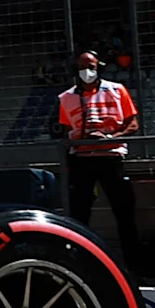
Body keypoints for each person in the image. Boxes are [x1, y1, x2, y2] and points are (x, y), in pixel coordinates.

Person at [50, 48, 142, 259]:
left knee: (124, 211)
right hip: (82, 160)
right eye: (82, 68)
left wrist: (111, 138)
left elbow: (133, 124)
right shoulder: (66, 97)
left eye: (90, 67)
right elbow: (65, 131)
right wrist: (78, 140)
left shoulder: (117, 90)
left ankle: (134, 261)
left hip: (111, 157)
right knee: (79, 213)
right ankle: (79, 258)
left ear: (98, 67)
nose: (87, 72)